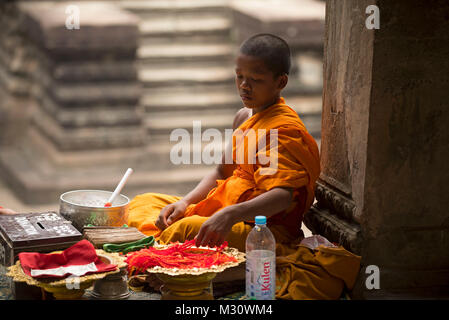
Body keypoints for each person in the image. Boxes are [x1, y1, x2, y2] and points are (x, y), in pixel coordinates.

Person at [127, 33, 321, 253]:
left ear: (281, 82)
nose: (244, 86)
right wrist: (185, 203)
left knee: (181, 231)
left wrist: (230, 215)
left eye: (256, 80)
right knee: (142, 203)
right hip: (227, 207)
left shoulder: (283, 130)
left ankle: (163, 253)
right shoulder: (243, 117)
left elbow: (281, 197)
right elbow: (222, 172)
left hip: (262, 229)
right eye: (239, 77)